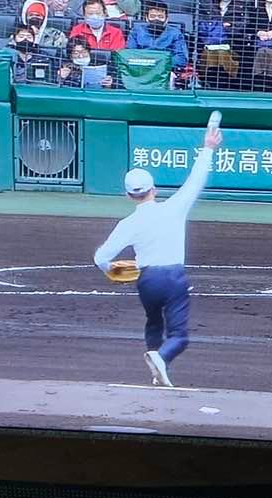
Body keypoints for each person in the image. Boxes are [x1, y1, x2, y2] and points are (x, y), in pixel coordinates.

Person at [93, 119, 223, 388]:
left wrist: (111, 270)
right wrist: (208, 148)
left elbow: (100, 257)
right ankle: (161, 357)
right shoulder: (174, 207)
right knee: (179, 336)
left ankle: (155, 365)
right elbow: (195, 180)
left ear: (129, 195)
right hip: (173, 279)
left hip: (147, 281)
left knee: (153, 321)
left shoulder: (127, 224)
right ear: (154, 189)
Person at [198, 0, 249, 90]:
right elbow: (201, 25)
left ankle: (224, 87)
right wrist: (223, 25)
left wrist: (222, 28)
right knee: (213, 53)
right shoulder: (207, 3)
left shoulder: (242, 4)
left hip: (232, 45)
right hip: (209, 45)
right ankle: (210, 86)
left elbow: (243, 25)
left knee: (222, 53)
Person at [128, 1, 189, 70]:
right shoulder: (136, 31)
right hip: (140, 69)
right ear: (146, 18)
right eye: (152, 16)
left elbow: (181, 59)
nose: (156, 19)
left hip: (165, 71)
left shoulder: (175, 33)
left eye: (160, 17)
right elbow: (130, 54)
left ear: (166, 19)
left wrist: (159, 64)